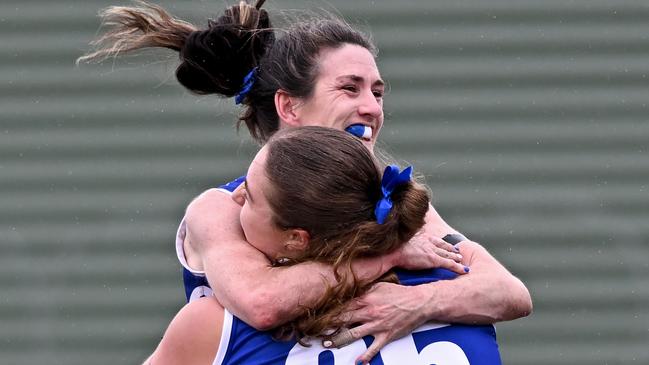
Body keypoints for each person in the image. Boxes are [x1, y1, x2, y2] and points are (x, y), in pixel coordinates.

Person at [80, 1, 532, 363]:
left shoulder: (387, 197)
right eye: (349, 88)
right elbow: (260, 302)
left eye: (377, 92)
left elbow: (507, 292)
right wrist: (388, 255)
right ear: (290, 108)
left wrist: (418, 303)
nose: (372, 107)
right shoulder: (227, 207)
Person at [145, 126, 503, 365]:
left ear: (297, 239)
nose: (236, 198)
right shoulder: (460, 286)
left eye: (251, 196)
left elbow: (261, 303)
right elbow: (512, 295)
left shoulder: (217, 326)